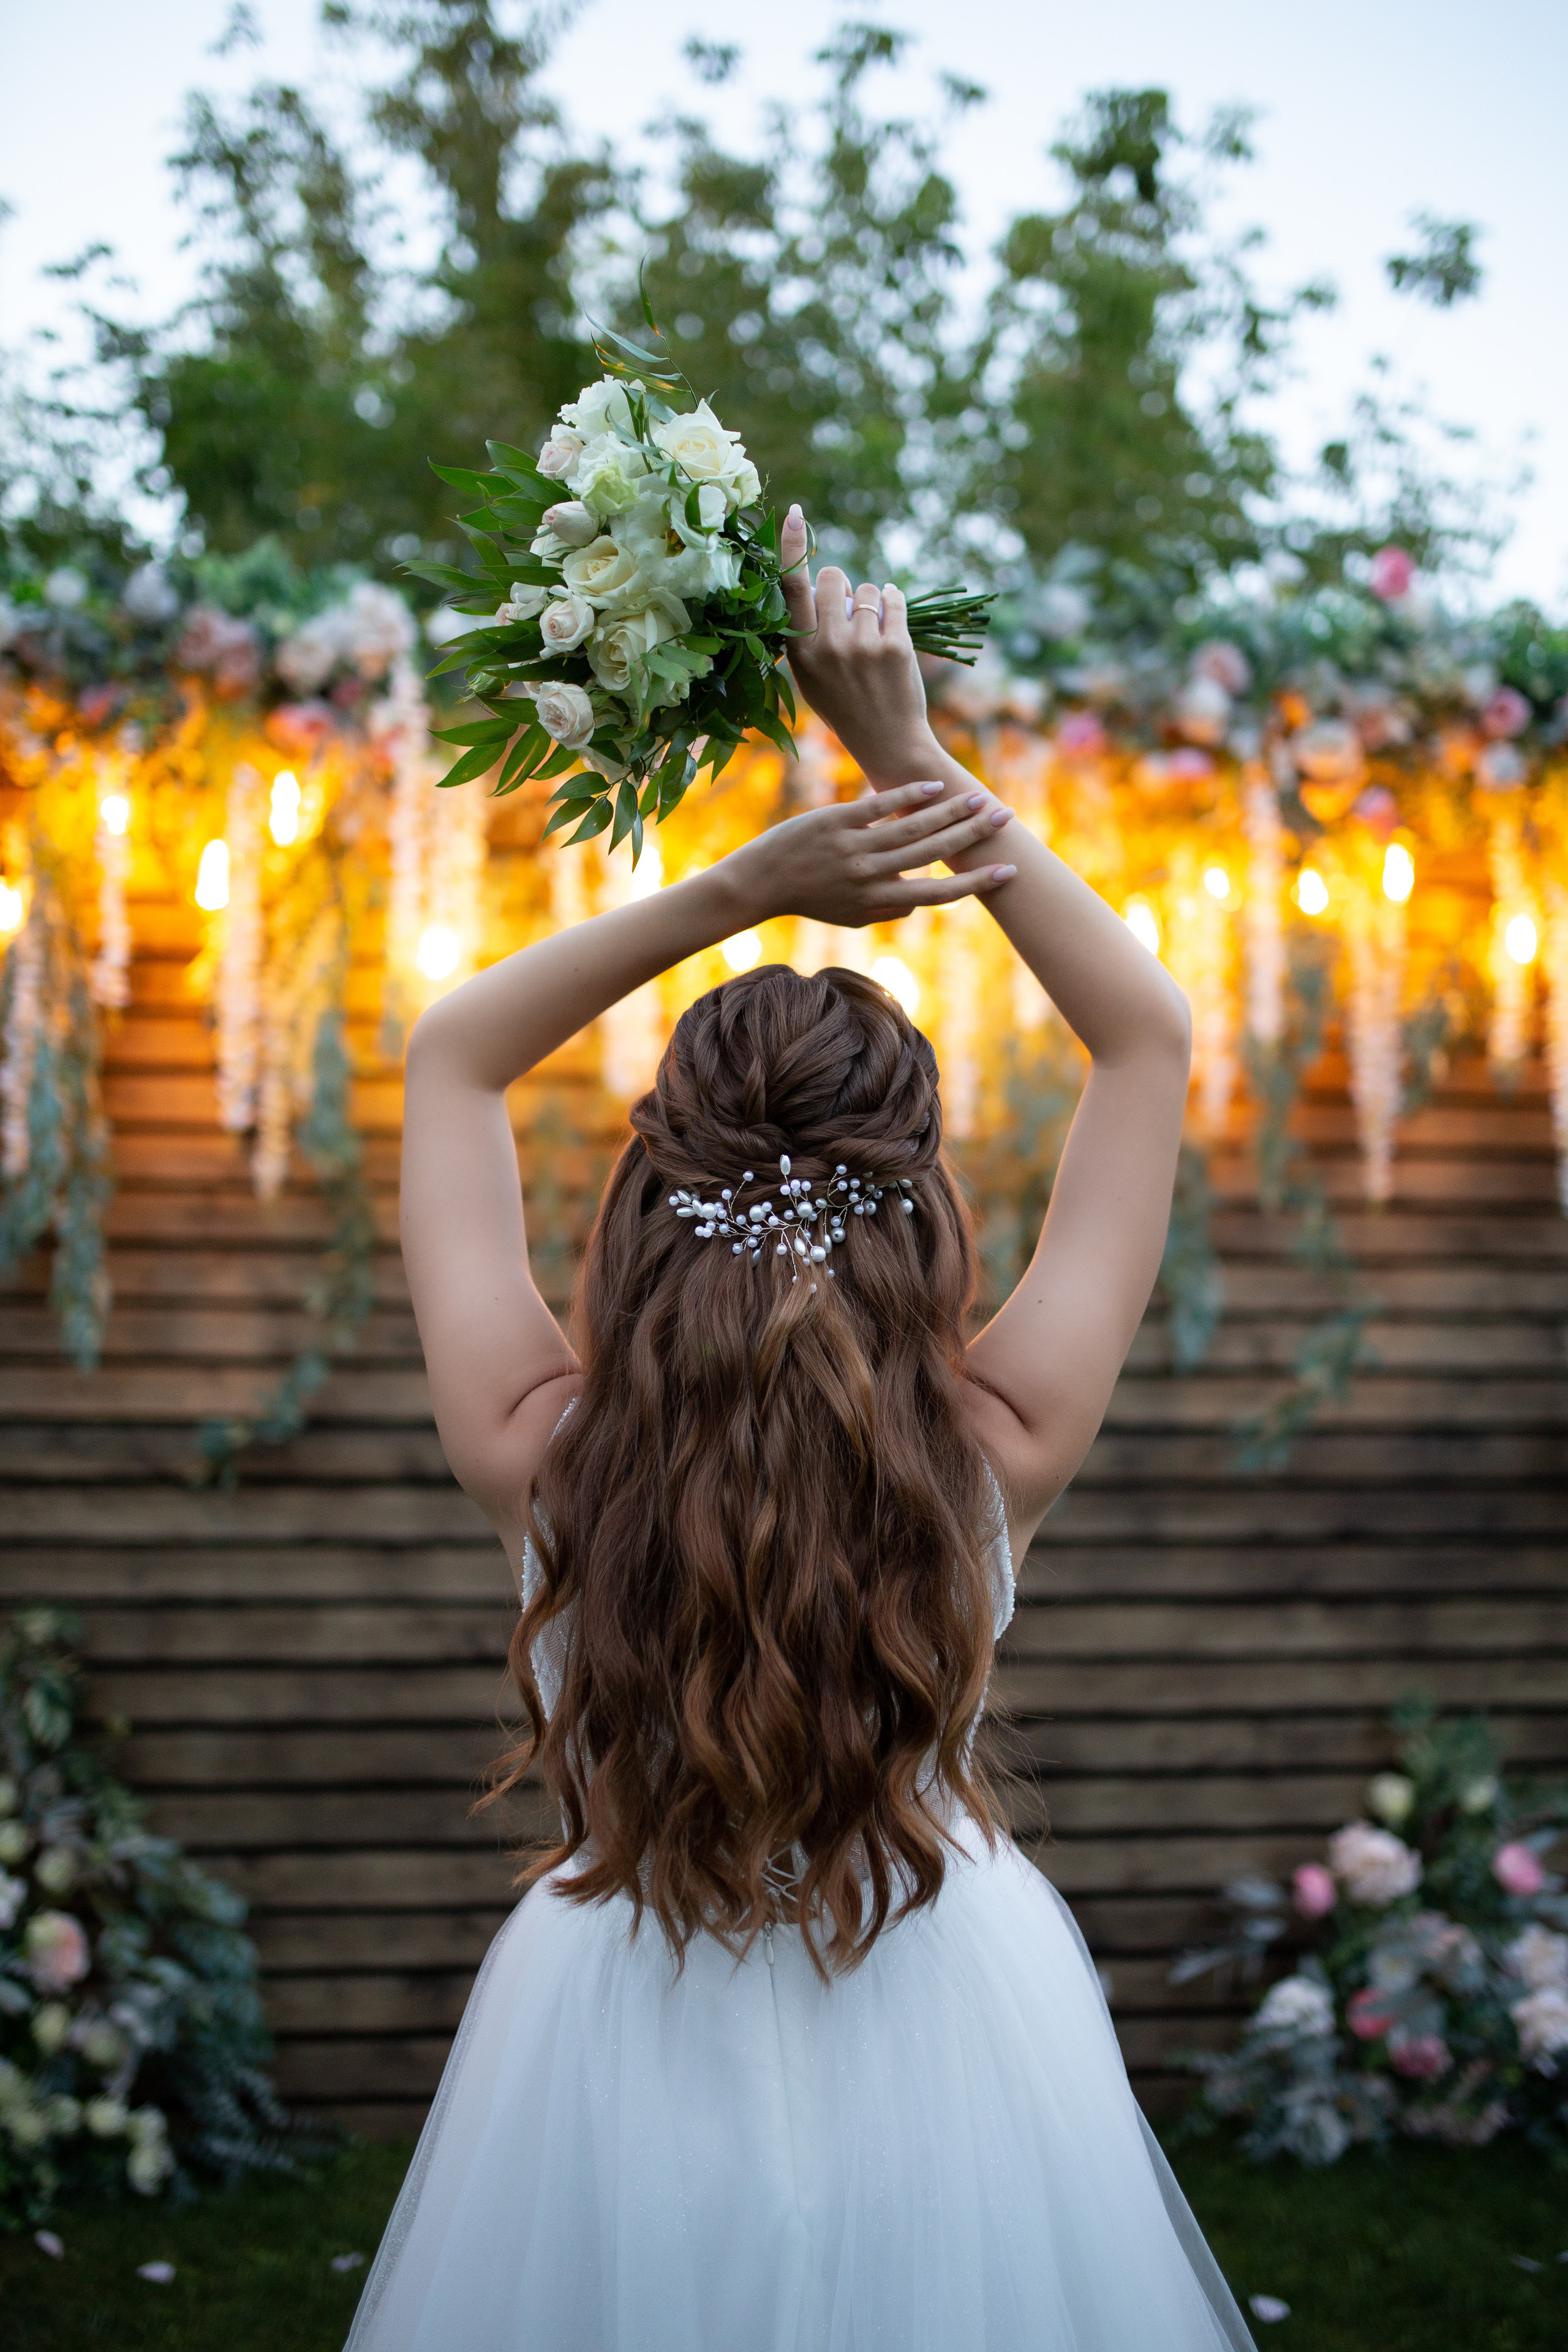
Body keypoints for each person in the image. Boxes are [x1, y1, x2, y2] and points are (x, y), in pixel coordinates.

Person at [346, 511, 1255, 2351]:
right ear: (919, 1203)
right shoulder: (992, 1441)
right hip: (955, 2004)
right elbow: (1147, 1037)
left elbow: (449, 1054)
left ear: (643, 1191)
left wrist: (741, 886)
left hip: (613, 2013)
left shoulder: (543, 1445)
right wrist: (908, 762)